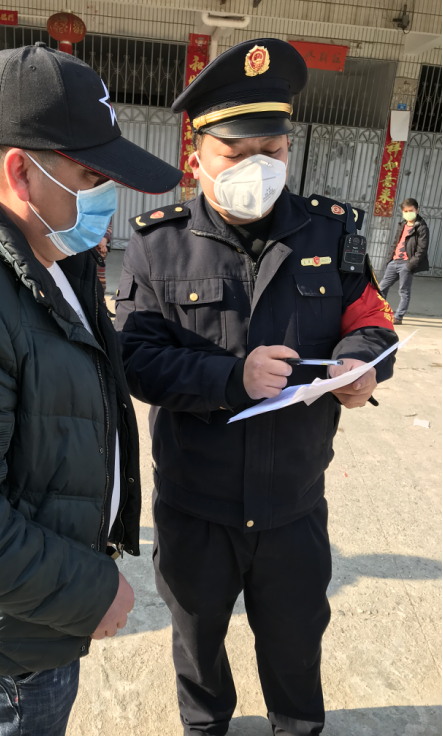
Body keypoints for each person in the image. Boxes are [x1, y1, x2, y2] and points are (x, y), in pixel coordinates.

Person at [0, 43, 181, 737]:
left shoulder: (54, 256)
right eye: (92, 176)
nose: (107, 196)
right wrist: (90, 590)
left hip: (38, 603)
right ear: (22, 172)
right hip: (9, 633)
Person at [115, 38, 399, 737]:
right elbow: (136, 360)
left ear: (288, 147)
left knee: (295, 642)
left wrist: (360, 366)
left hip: (293, 504)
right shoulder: (158, 243)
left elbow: (372, 321)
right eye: (234, 154)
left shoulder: (330, 234)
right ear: (197, 158)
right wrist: (229, 378)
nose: (256, 168)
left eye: (270, 150)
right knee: (198, 643)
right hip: (196, 505)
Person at [379, 198, 430, 324]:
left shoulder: (422, 228)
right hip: (394, 262)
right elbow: (395, 243)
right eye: (405, 211)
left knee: (403, 292)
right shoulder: (402, 225)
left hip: (406, 264)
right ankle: (379, 312)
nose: (408, 213)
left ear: (417, 210)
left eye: (410, 211)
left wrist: (410, 265)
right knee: (381, 288)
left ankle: (398, 317)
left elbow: (422, 249)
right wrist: (389, 260)